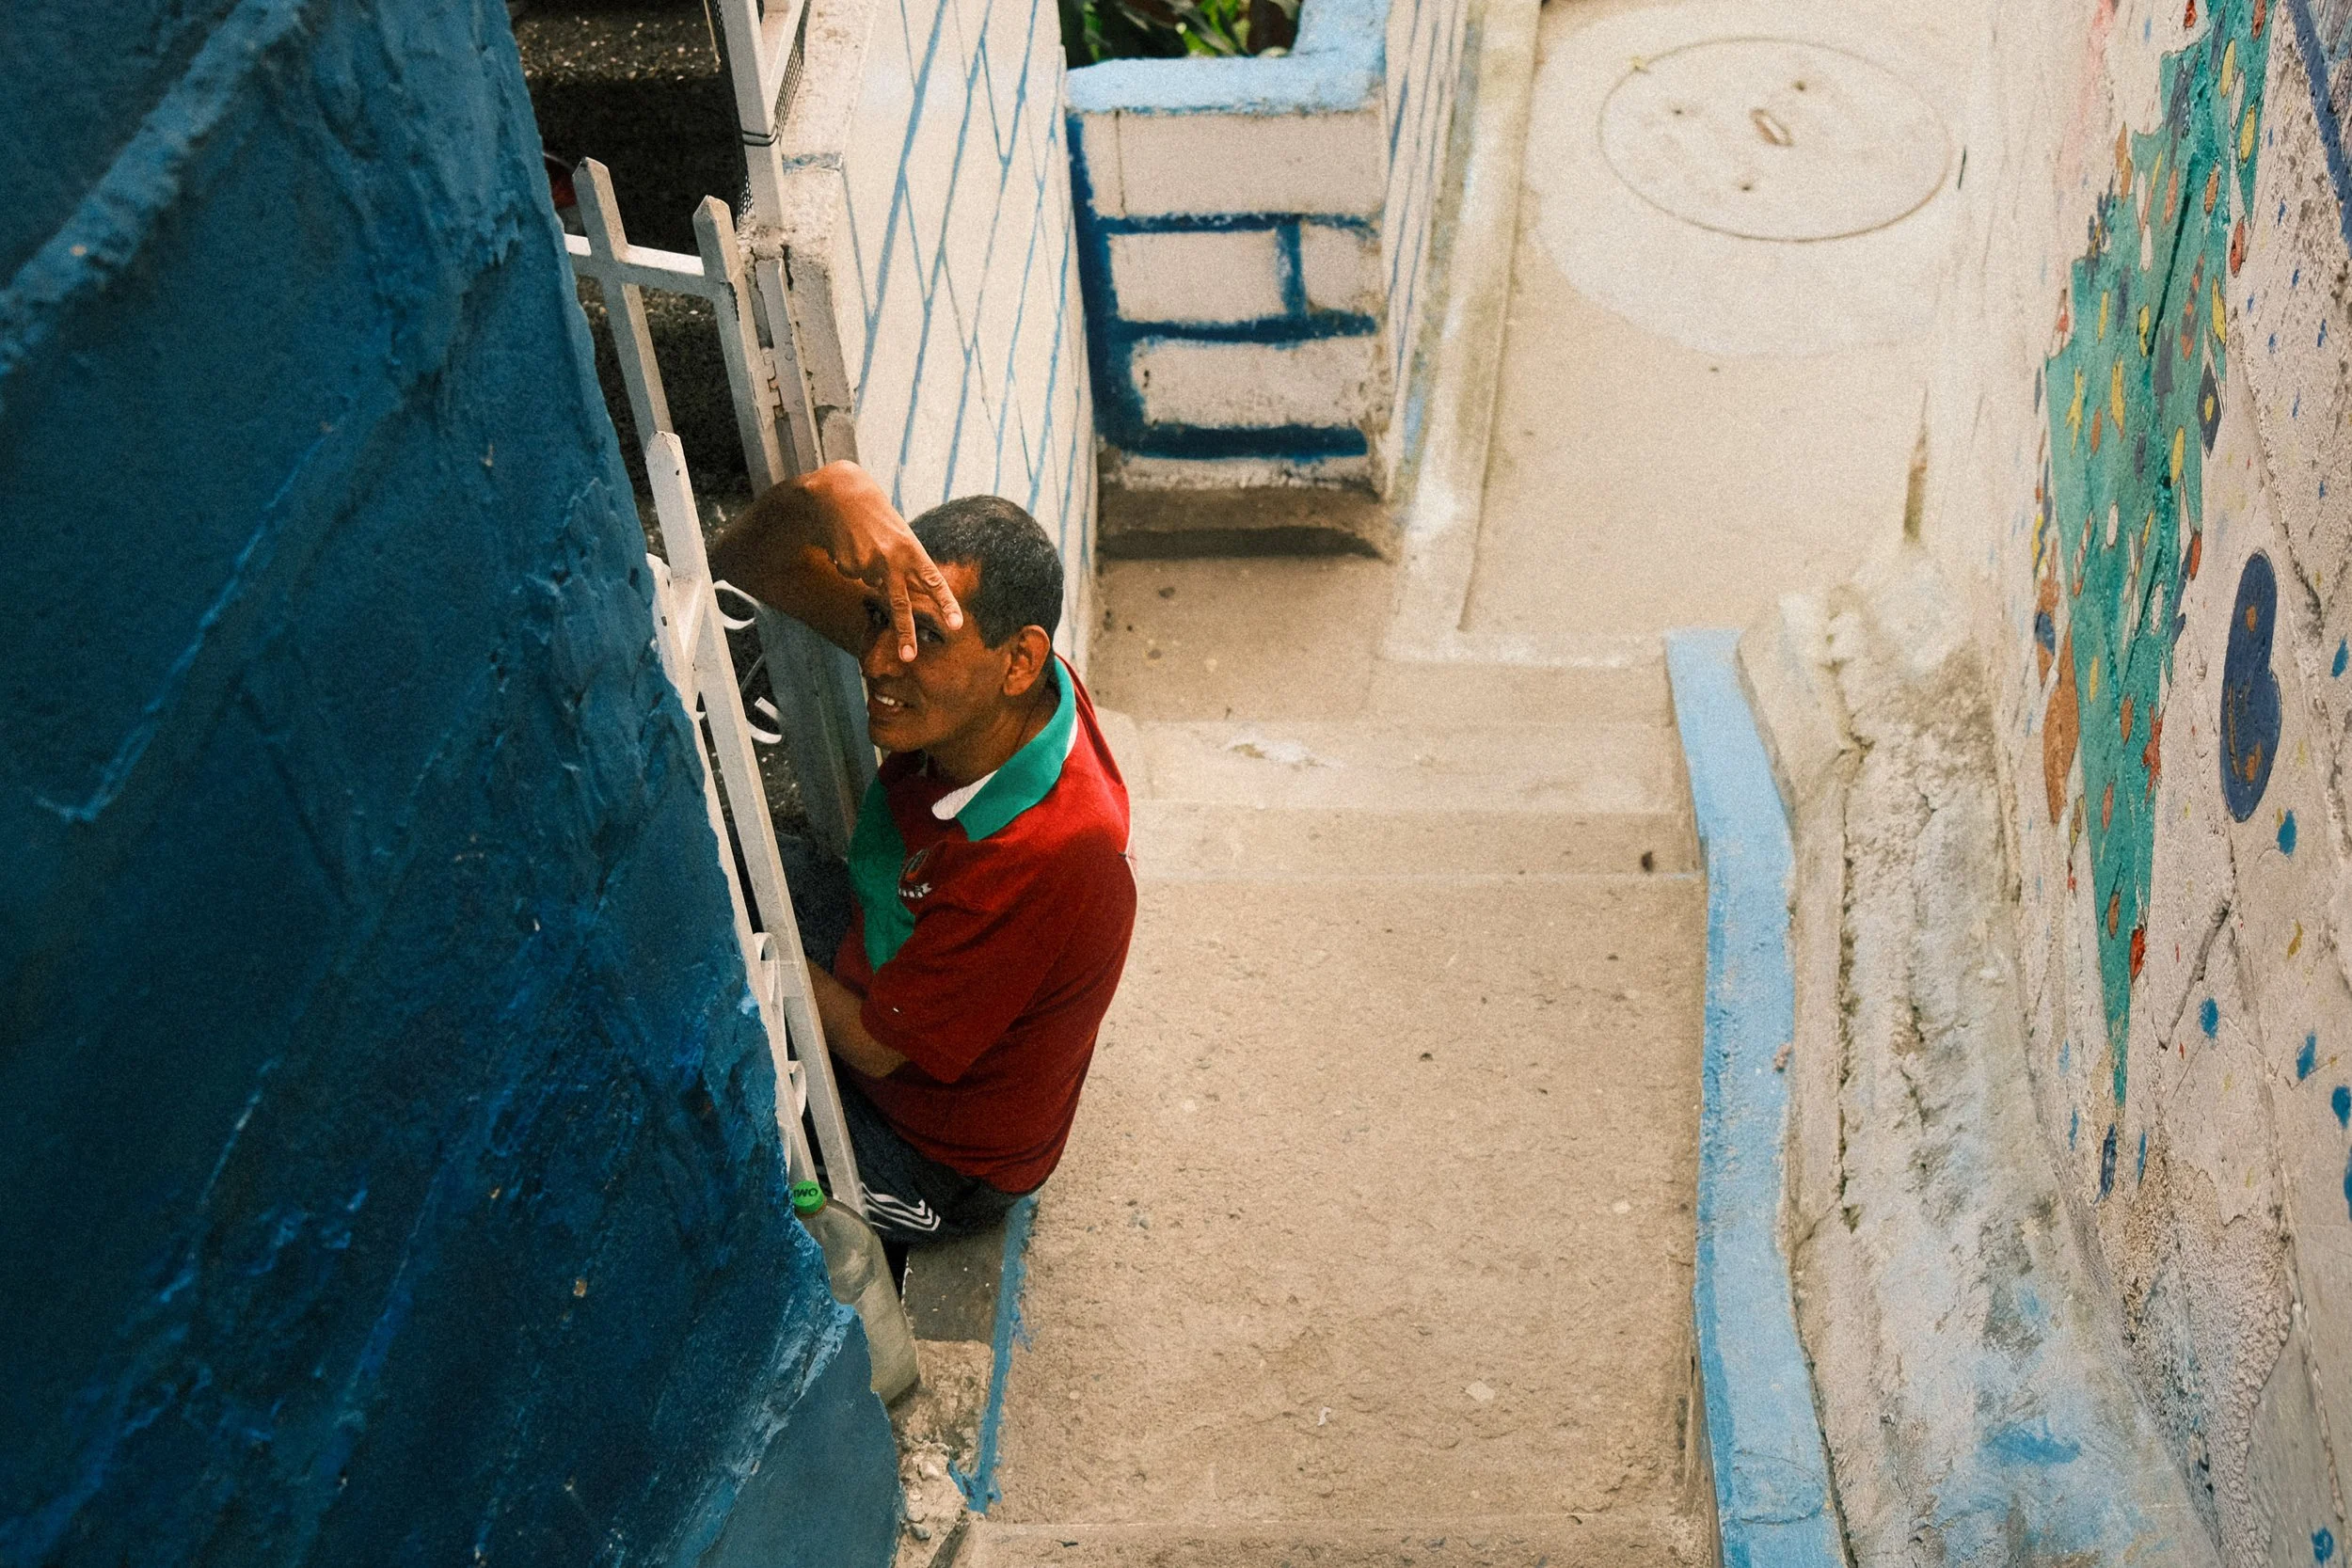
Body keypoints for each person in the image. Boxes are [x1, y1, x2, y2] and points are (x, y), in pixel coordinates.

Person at [711, 461, 1136, 1243]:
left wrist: (748, 948)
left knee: (712, 1134)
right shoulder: (993, 693)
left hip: (932, 1158)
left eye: (922, 635)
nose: (877, 661)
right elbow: (750, 560)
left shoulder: (1048, 851)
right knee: (728, 859)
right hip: (886, 942)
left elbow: (875, 1047)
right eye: (879, 618)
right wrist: (824, 494)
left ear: (1020, 660)